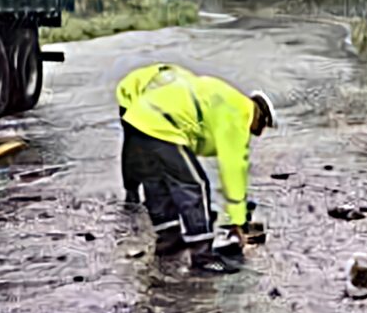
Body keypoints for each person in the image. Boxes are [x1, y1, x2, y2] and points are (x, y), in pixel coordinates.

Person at [120, 68, 276, 273]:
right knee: (195, 185)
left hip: (137, 119)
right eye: (262, 127)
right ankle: (202, 257)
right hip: (159, 125)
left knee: (158, 182)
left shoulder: (226, 97)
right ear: (260, 116)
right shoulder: (239, 114)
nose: (258, 133)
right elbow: (233, 171)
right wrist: (238, 222)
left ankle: (168, 242)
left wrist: (130, 188)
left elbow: (196, 134)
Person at [115, 63, 196, 204]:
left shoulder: (195, 97)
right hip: (131, 95)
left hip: (159, 94)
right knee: (136, 147)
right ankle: (131, 190)